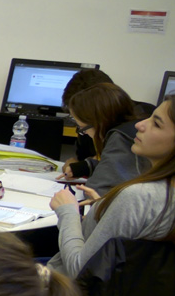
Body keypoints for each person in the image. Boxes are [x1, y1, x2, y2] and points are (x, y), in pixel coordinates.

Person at [47, 96, 175, 277]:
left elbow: (80, 270)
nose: (139, 125)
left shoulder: (138, 196)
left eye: (157, 123)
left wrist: (68, 213)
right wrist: (106, 207)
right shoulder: (161, 195)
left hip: (66, 292)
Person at [64, 83, 147, 196]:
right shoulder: (130, 129)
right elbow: (119, 168)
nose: (86, 134)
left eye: (83, 129)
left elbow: (95, 192)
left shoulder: (120, 139)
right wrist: (87, 166)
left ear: (100, 123)